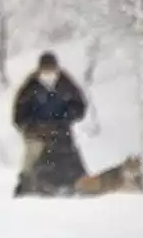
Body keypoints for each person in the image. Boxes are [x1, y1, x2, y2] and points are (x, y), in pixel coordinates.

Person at [11, 51, 89, 196]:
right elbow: (19, 113)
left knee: (70, 154)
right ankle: (26, 184)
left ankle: (77, 182)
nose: (49, 73)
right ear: (39, 70)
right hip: (36, 131)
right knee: (32, 155)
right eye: (45, 70)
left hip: (61, 128)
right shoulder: (30, 87)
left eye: (51, 69)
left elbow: (79, 105)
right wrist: (32, 126)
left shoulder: (66, 84)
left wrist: (66, 118)